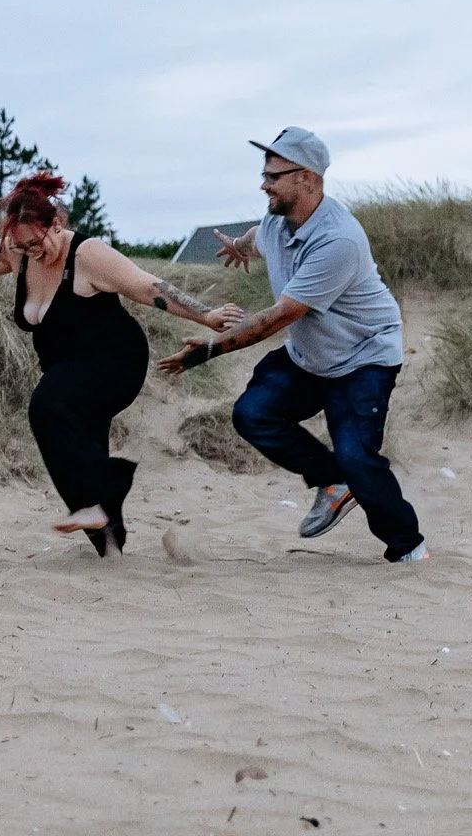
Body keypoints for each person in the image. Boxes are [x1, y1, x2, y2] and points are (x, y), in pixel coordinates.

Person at [0, 172, 243, 556]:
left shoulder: (87, 254)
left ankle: (109, 487)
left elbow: (148, 287)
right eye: (20, 245)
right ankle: (110, 548)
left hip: (117, 360)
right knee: (83, 450)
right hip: (69, 368)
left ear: (56, 224)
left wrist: (207, 316)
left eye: (36, 242)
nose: (30, 251)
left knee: (47, 406)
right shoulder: (17, 251)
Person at [156, 127, 426, 562]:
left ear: (307, 178)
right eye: (264, 175)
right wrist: (241, 247)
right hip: (311, 357)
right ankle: (333, 483)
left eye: (273, 176)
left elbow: (276, 318)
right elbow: (258, 237)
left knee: (358, 457)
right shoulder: (276, 223)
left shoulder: (337, 240)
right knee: (254, 414)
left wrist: (208, 349)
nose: (264, 184)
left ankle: (408, 549)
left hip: (363, 359)